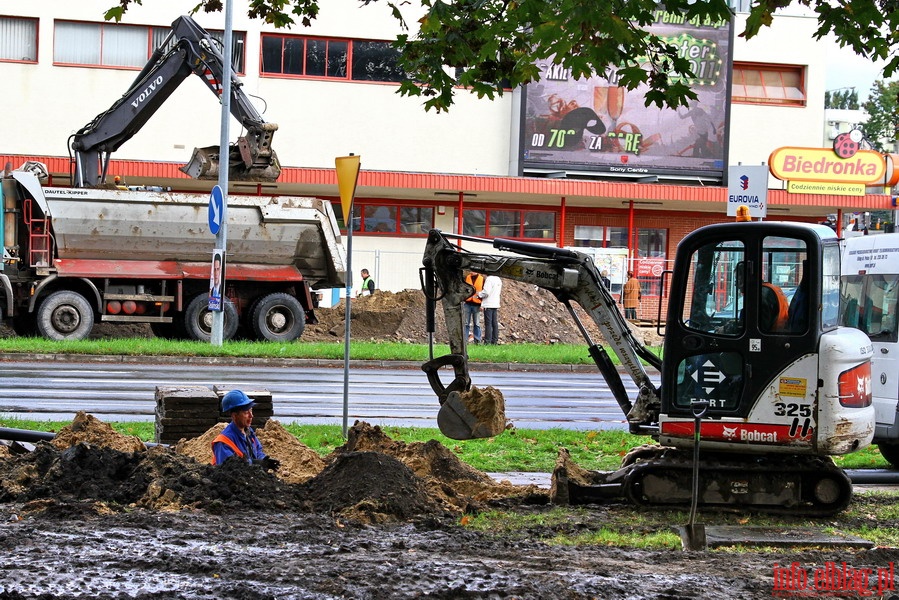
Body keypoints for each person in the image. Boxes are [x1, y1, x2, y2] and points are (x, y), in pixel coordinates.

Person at [211, 390, 279, 470]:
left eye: (251, 410)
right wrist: (256, 464)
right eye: (246, 412)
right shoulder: (223, 443)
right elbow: (230, 471)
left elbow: (258, 450)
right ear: (234, 416)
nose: (251, 416)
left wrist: (263, 460)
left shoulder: (248, 432)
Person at [480, 274, 503, 345]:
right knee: (494, 323)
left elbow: (486, 292)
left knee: (488, 323)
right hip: (495, 303)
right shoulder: (498, 279)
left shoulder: (489, 279)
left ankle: (487, 341)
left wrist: (479, 294)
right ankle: (495, 340)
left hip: (488, 304)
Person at [463, 271, 485, 343]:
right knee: (466, 323)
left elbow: (484, 293)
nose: (472, 272)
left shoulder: (482, 279)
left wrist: (482, 304)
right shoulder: (467, 278)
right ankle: (465, 340)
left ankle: (477, 339)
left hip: (477, 304)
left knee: (477, 323)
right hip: (467, 303)